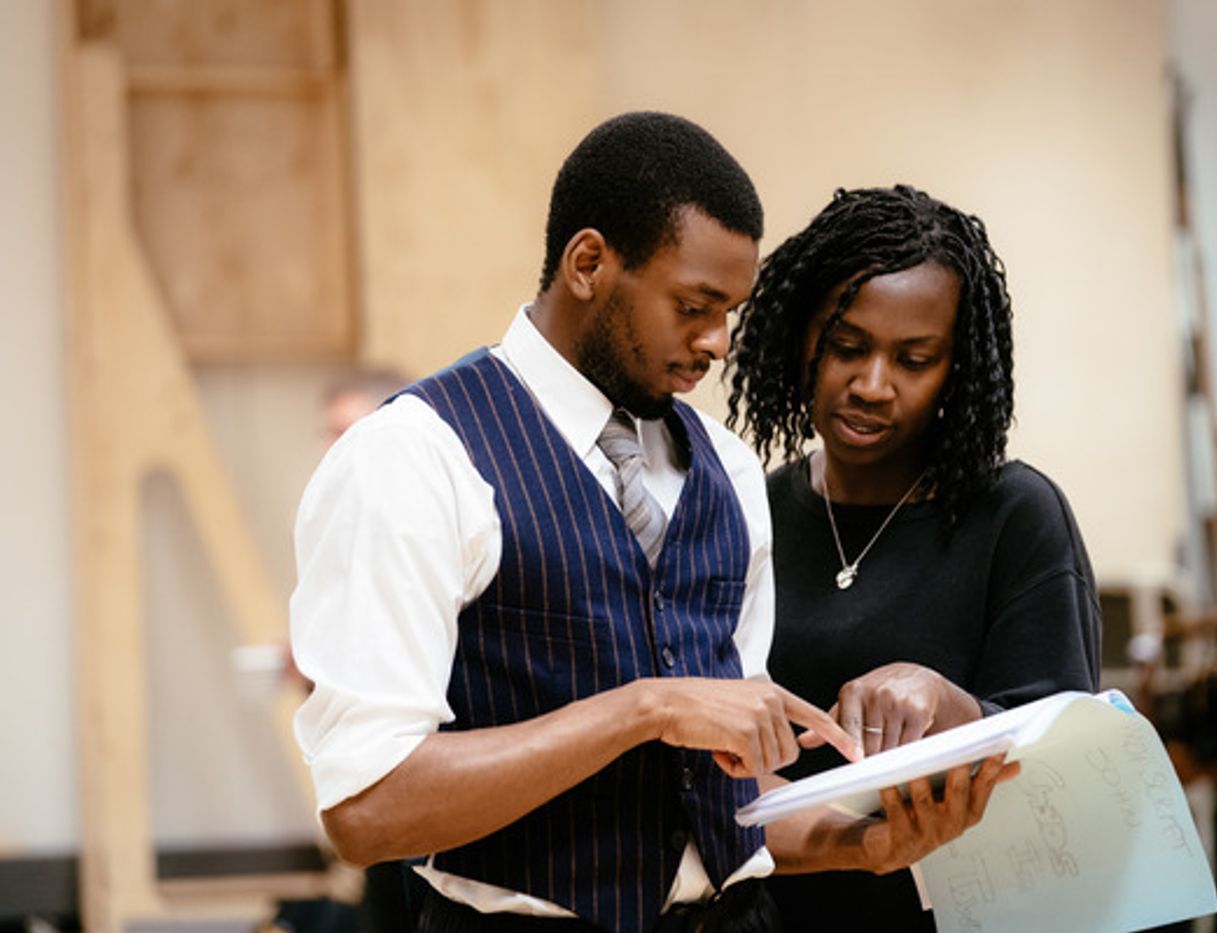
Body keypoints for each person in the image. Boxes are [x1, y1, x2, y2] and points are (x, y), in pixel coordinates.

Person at [289, 115, 1003, 933]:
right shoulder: (412, 458)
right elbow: (366, 807)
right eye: (694, 307)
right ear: (588, 262)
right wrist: (645, 707)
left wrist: (866, 843)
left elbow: (727, 799)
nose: (717, 343)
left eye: (729, 310)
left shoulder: (731, 473)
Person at [726, 185, 1102, 931]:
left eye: (914, 359)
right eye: (848, 346)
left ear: (955, 372)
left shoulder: (1014, 516)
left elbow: (1072, 765)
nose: (872, 385)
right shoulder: (748, 514)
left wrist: (946, 703)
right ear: (803, 338)